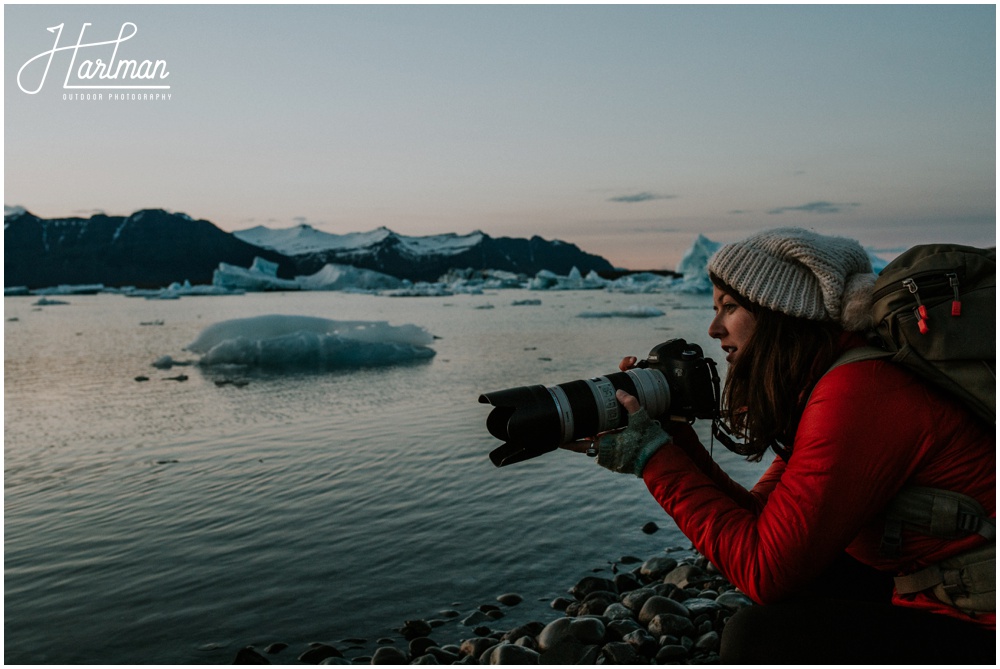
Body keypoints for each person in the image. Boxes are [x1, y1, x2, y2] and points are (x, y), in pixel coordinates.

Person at [564, 227, 995, 663]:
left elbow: (763, 570)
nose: (713, 329)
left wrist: (651, 458)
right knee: (804, 578)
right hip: (933, 588)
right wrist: (672, 439)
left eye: (729, 307)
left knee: (757, 638)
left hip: (981, 621)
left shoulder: (856, 392)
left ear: (779, 311)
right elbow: (762, 521)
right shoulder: (832, 380)